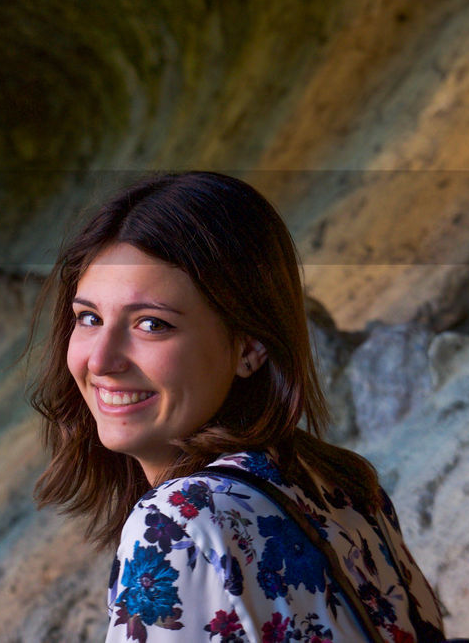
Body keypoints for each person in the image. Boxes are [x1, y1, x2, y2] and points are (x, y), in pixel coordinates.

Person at [28, 171, 447, 642]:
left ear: (250, 347)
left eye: (151, 324)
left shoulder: (176, 522)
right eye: (89, 318)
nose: (101, 360)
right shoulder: (344, 483)